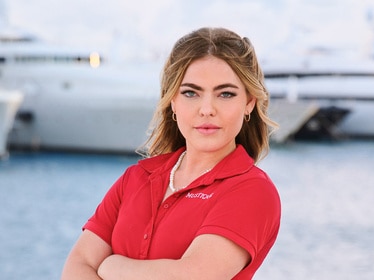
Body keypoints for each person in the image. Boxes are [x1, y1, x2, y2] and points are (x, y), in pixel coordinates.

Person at [61, 27, 281, 280]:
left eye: (225, 94)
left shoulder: (251, 190)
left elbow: (193, 275)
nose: (207, 109)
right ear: (172, 102)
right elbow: (78, 266)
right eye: (191, 93)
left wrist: (113, 267)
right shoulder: (136, 178)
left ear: (249, 103)